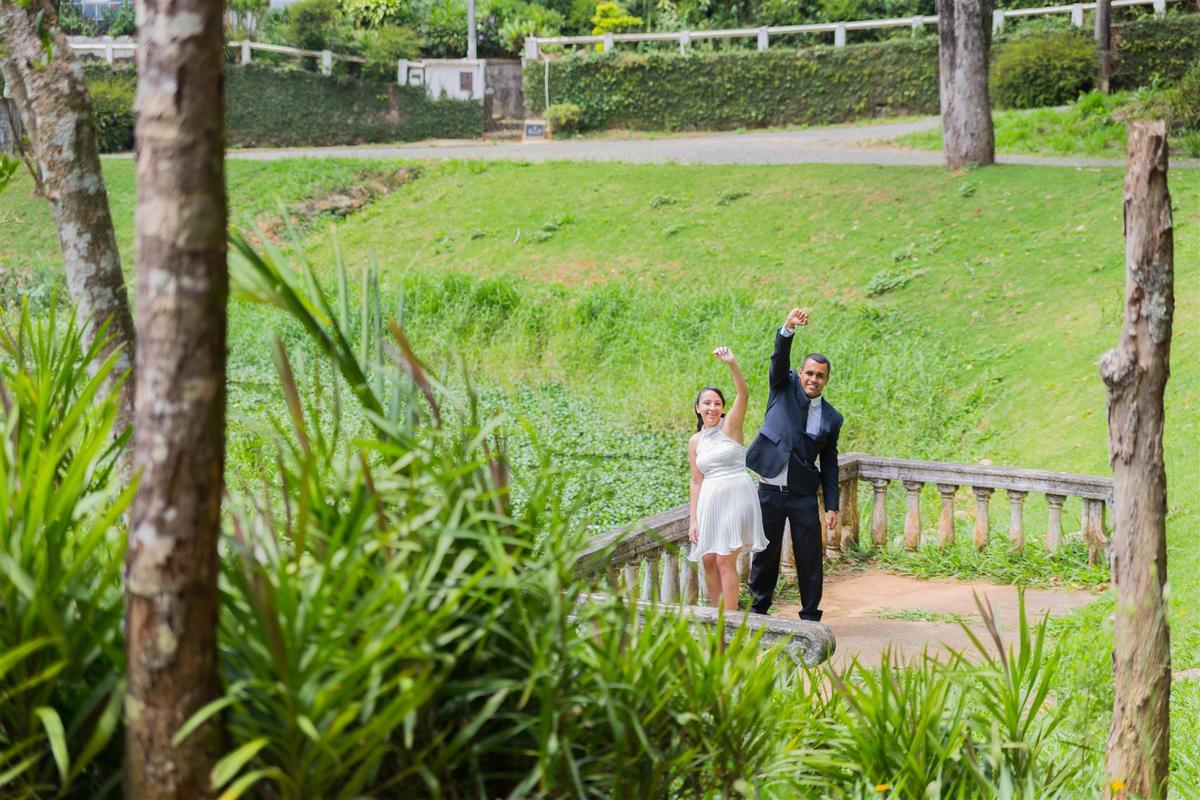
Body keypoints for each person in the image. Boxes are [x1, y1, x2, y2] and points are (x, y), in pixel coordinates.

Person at [745, 308, 843, 621]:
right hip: (769, 489)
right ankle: (758, 610)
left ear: (826, 380)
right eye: (809, 373)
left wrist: (832, 505)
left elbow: (829, 463)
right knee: (765, 554)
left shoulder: (832, 418)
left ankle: (811, 615)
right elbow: (778, 359)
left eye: (820, 376)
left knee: (810, 556)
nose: (813, 379)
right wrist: (787, 328)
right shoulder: (782, 389)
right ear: (800, 373)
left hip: (802, 494)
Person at [687, 347, 769, 611]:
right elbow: (696, 481)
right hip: (710, 499)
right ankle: (717, 616)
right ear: (697, 408)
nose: (712, 407)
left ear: (722, 408)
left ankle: (731, 623)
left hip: (736, 494)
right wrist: (694, 519)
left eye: (717, 403)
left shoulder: (730, 425)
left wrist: (732, 363)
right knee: (708, 559)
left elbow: (743, 394)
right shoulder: (695, 441)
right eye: (707, 403)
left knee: (724, 560)